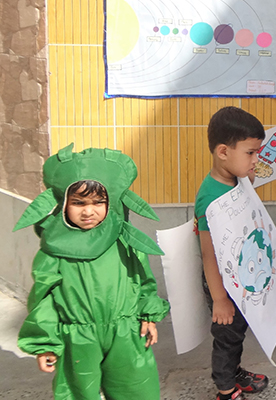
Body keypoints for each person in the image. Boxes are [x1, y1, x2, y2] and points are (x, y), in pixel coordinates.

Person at [16, 144, 170, 400]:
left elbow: (141, 279)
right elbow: (44, 299)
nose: (88, 211)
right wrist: (45, 343)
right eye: (78, 203)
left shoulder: (123, 239)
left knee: (136, 390)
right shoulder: (54, 249)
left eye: (99, 202)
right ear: (63, 203)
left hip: (126, 331)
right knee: (76, 394)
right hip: (77, 337)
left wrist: (148, 315)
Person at [194, 107, 269, 400]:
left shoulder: (235, 179)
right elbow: (208, 255)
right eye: (250, 153)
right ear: (223, 152)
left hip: (241, 275)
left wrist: (248, 177)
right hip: (222, 285)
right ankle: (225, 390)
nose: (256, 160)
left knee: (237, 332)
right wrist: (220, 299)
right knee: (226, 338)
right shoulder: (211, 199)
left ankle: (234, 372)